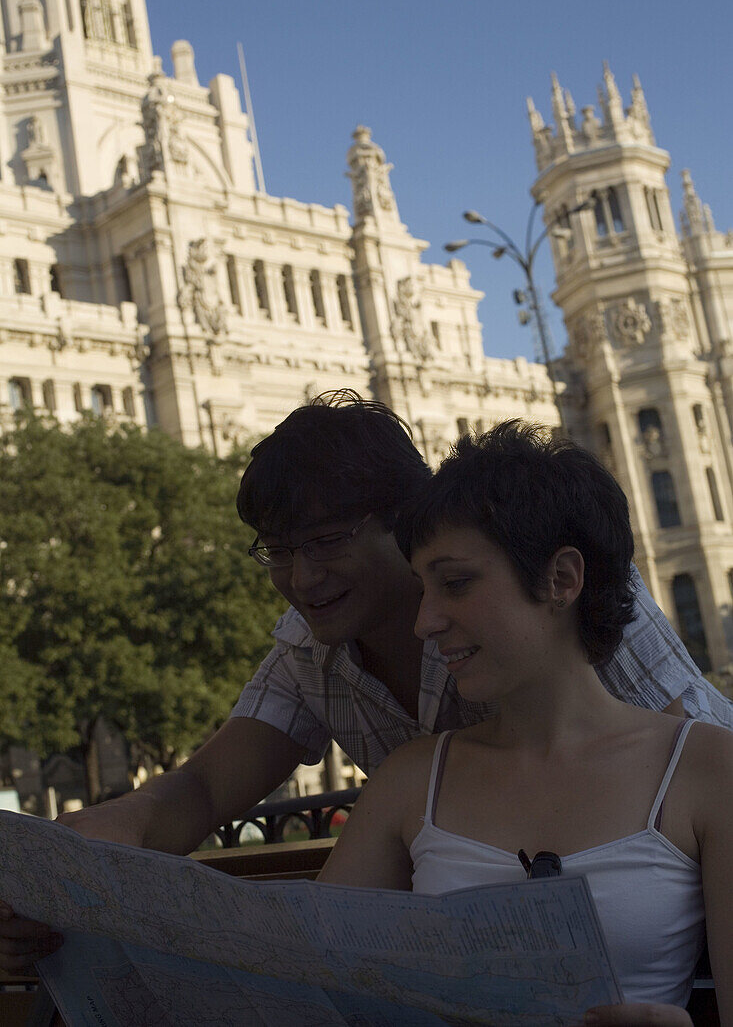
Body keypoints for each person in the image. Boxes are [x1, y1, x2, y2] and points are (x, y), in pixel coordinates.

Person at [1, 393, 730, 984]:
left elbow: (693, 769)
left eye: (326, 541)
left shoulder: (562, 597)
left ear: (404, 525)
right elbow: (201, 793)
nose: (301, 577)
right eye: (278, 550)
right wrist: (80, 861)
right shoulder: (319, 663)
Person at [316, 421, 732, 1025]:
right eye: (422, 590)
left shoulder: (708, 769)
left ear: (562, 579)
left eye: (455, 584)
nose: (424, 622)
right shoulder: (412, 780)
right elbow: (307, 981)